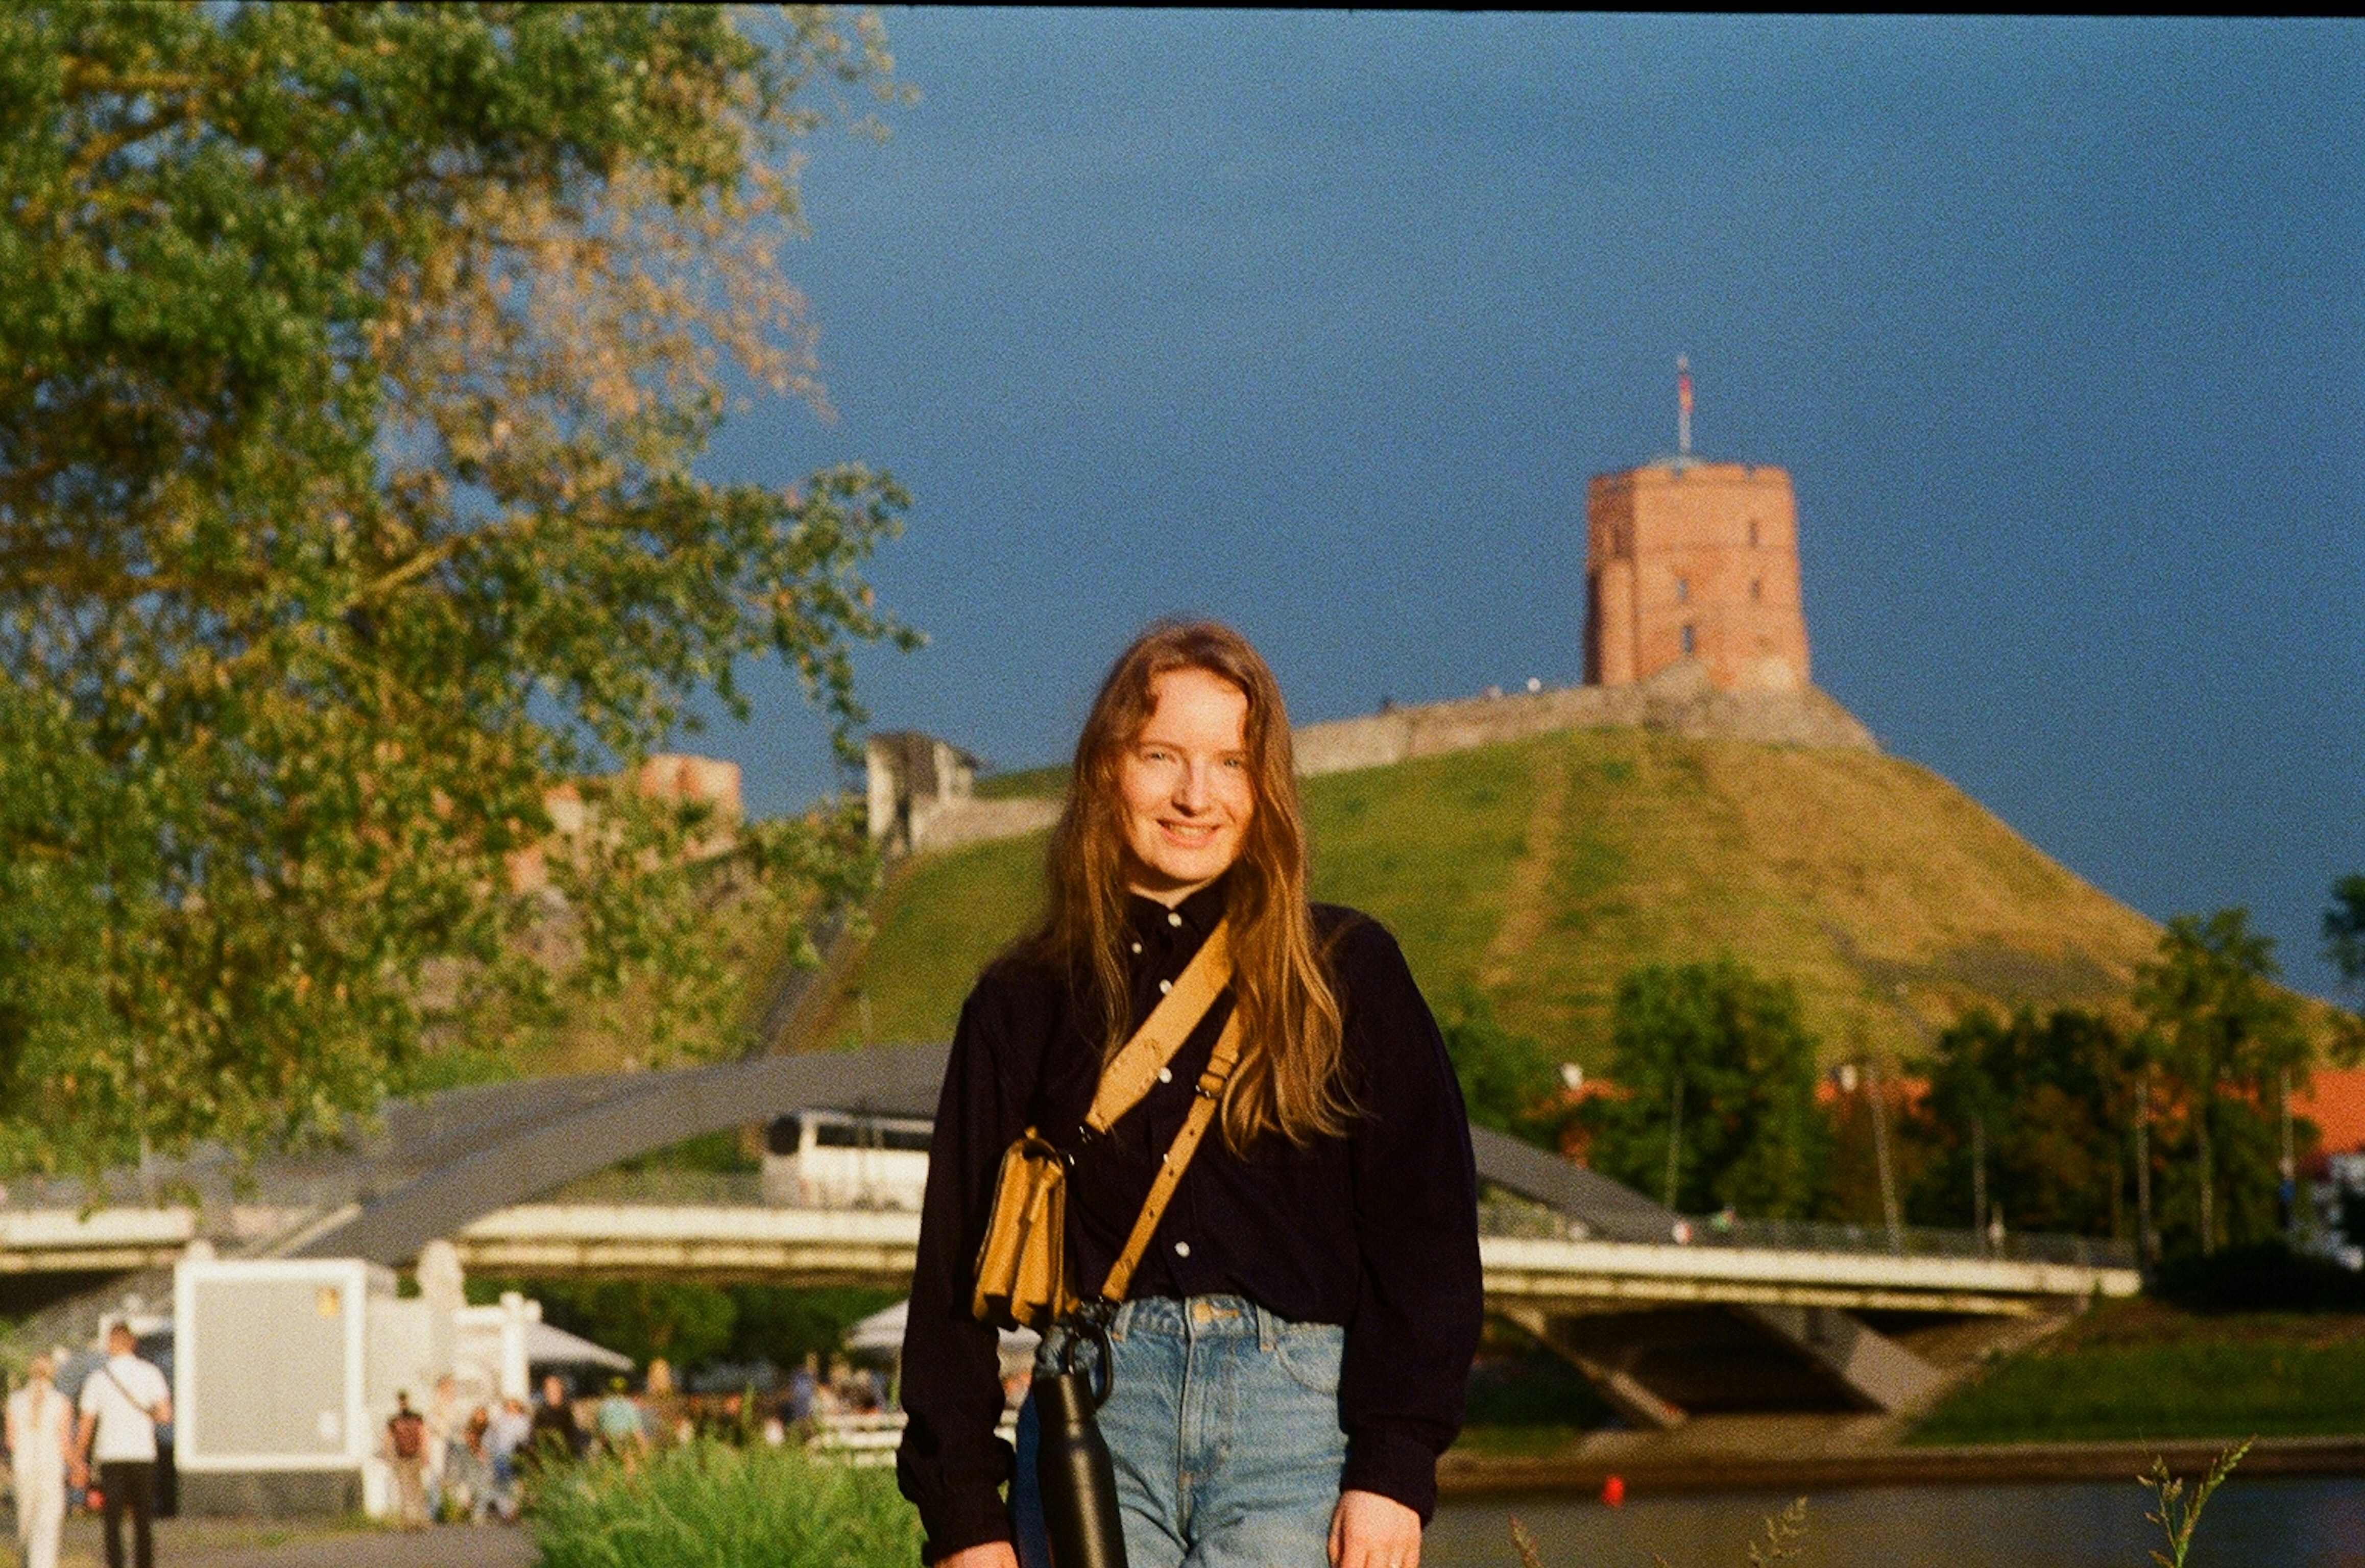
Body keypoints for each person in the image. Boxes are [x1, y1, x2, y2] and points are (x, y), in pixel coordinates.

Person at [898, 622, 1484, 1568]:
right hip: (1093, 1430)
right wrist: (963, 1517)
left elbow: (1428, 1243)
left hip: (1298, 1436)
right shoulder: (1022, 1000)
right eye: (1161, 756)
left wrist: (1394, 1463)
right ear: (1104, 772)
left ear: (1268, 788)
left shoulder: (1347, 972)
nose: (1194, 796)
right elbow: (948, 1286)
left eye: (1230, 763)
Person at [74, 1323, 172, 1568]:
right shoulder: (151, 1373)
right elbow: (165, 1415)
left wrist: (78, 1460)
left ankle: (116, 1564)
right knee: (143, 1520)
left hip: (111, 1454)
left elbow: (86, 1423)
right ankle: (144, 1564)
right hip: (142, 1454)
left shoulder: (98, 1378)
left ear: (110, 1344)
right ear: (133, 1344)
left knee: (113, 1521)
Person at [7, 1354, 72, 1568]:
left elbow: (10, 1440)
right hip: (50, 1466)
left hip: (23, 1466)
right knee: (48, 1521)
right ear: (52, 1372)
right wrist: (77, 1464)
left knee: (25, 1522)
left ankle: (28, 1562)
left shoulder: (14, 1401)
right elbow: (64, 1440)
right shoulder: (61, 1402)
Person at [384, 1391, 429, 1530]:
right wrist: (389, 1456)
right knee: (406, 1489)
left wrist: (425, 1454)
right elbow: (389, 1438)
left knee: (415, 1488)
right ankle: (410, 1520)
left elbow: (423, 1435)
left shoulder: (414, 1418)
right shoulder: (396, 1420)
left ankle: (419, 1519)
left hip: (413, 1456)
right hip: (403, 1457)